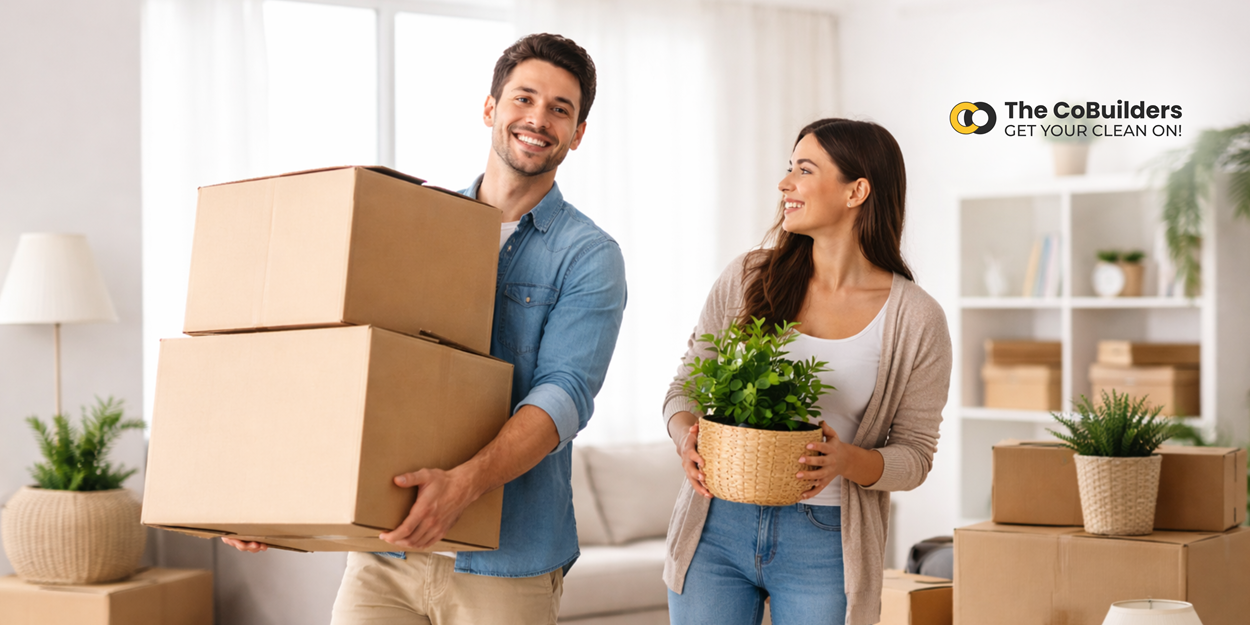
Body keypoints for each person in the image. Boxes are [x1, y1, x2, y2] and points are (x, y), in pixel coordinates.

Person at [223, 33, 628, 625]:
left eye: (560, 109)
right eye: (524, 98)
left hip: (505, 560)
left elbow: (563, 395)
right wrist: (274, 498)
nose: (538, 118)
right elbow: (346, 359)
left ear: (578, 133)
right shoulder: (416, 223)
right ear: (491, 109)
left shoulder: (589, 255)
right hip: (386, 549)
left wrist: (462, 486)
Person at [661, 119, 951, 625]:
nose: (784, 183)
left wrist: (846, 460)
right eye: (788, 167)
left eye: (804, 169)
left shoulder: (916, 318)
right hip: (715, 525)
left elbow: (916, 455)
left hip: (826, 537)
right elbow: (685, 387)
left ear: (856, 191)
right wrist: (686, 437)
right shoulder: (750, 276)